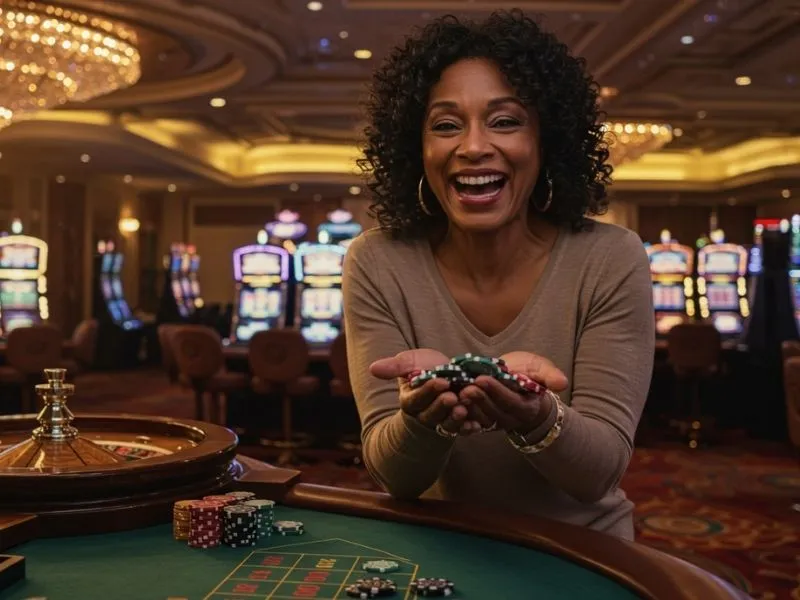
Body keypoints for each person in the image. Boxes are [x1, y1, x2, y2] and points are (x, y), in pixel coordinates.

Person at [342, 10, 654, 539]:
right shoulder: (375, 261)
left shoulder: (612, 257)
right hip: (442, 547)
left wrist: (535, 415)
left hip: (581, 550)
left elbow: (598, 473)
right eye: (445, 125)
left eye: (505, 121)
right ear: (416, 150)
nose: (473, 146)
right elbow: (394, 476)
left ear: (546, 140)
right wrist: (423, 419)